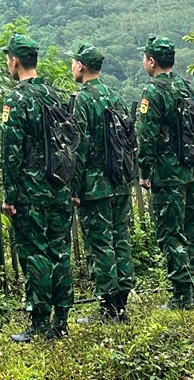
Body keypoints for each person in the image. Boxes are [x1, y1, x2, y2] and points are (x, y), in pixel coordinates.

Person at [0, 32, 75, 341]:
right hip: (59, 186)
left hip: (31, 192)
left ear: (14, 61)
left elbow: (11, 151)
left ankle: (40, 323)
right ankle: (62, 319)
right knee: (60, 250)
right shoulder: (55, 95)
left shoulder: (17, 99)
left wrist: (10, 195)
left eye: (8, 59)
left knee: (36, 254)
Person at [136, 35, 194, 308]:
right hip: (191, 169)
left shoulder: (154, 92)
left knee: (170, 233)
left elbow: (147, 136)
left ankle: (182, 295)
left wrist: (145, 171)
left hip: (168, 175)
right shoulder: (187, 87)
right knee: (192, 231)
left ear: (152, 61)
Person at [69, 42, 135, 321]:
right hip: (119, 180)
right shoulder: (115, 97)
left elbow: (77, 147)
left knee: (100, 245)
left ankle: (108, 308)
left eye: (73, 62)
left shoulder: (81, 100)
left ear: (81, 66)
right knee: (121, 239)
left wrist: (74, 187)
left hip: (94, 185)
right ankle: (121, 303)